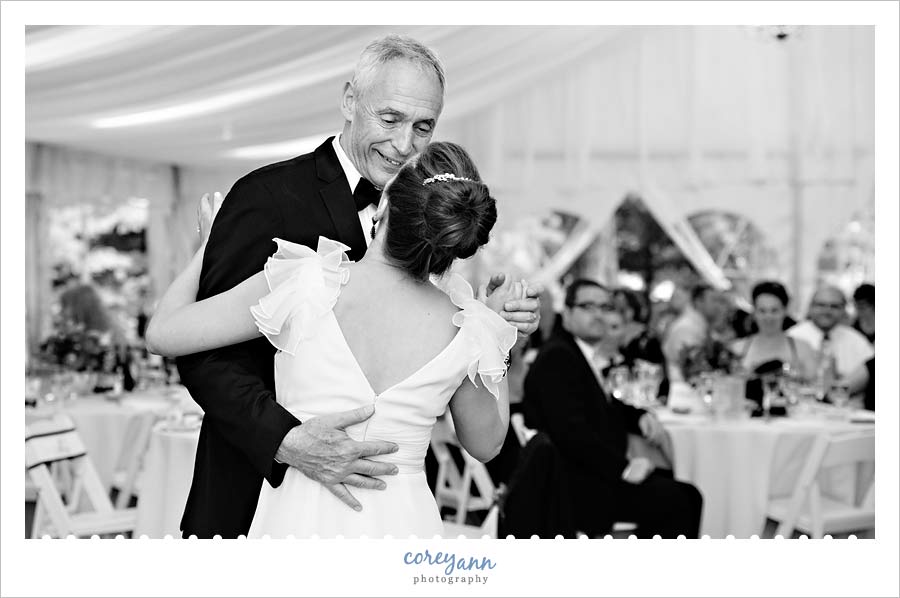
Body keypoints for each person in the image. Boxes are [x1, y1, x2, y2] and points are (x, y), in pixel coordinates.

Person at [170, 35, 541, 538]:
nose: (406, 143)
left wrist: (496, 331)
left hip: (383, 494)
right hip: (259, 490)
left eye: (423, 126)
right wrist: (286, 439)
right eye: (390, 119)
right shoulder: (266, 196)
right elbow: (205, 356)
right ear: (350, 101)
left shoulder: (430, 219)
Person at [523, 279, 702, 538]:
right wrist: (623, 468)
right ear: (569, 312)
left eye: (605, 307)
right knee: (683, 499)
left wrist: (638, 416)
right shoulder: (558, 356)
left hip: (591, 476)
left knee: (680, 492)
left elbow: (602, 402)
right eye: (588, 306)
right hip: (575, 488)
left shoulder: (575, 351)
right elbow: (570, 433)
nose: (599, 315)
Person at [730, 281, 817, 379]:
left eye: (774, 310)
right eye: (762, 311)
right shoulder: (737, 349)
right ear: (754, 312)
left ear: (785, 311)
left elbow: (813, 386)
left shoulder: (803, 349)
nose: (768, 317)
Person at [787, 285, 873, 380]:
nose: (827, 311)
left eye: (834, 306)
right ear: (810, 307)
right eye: (821, 305)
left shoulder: (857, 340)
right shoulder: (792, 337)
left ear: (844, 310)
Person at [661, 283, 727, 381]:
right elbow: (693, 370)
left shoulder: (699, 326)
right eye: (713, 300)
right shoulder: (688, 328)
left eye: (719, 301)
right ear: (698, 302)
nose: (717, 306)